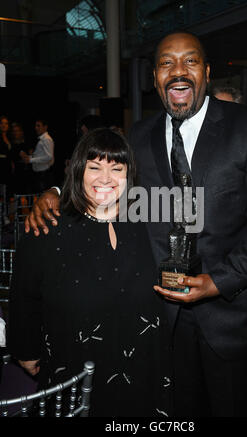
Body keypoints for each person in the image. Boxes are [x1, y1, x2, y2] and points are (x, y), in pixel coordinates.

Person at [24, 31, 247, 417]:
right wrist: (54, 190)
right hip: (163, 326)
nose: (178, 71)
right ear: (155, 77)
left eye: (190, 61)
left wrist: (218, 282)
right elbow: (106, 181)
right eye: (167, 63)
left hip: (239, 321)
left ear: (206, 71)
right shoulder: (139, 135)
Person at [8, 128, 172, 417]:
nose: (106, 178)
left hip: (146, 370)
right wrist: (26, 350)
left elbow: (196, 206)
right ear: (78, 170)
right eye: (94, 167)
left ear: (130, 174)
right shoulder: (47, 229)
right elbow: (24, 296)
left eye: (116, 168)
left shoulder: (150, 223)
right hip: (75, 373)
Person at [20, 119, 55, 193]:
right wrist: (28, 158)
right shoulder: (42, 139)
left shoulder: (46, 139)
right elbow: (41, 155)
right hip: (40, 174)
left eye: (38, 126)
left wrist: (30, 160)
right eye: (36, 126)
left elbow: (49, 157)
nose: (36, 128)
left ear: (45, 127)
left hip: (44, 174)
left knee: (42, 197)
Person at [10, 123, 34, 194]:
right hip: (17, 173)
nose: (15, 133)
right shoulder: (11, 144)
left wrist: (27, 156)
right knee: (17, 193)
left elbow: (30, 155)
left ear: (21, 132)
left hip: (28, 172)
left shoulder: (27, 143)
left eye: (17, 131)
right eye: (14, 131)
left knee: (29, 194)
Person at [0, 115, 13, 195]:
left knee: (7, 191)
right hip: (0, 165)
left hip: (7, 166)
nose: (4, 125)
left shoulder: (10, 137)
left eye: (6, 123)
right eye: (1, 123)